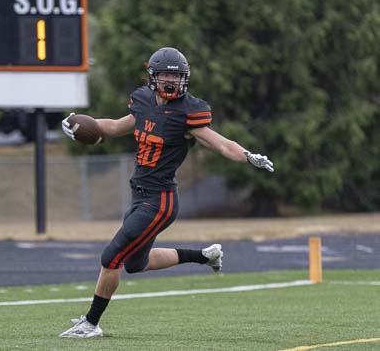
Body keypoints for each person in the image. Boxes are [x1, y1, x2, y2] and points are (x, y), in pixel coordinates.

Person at [59, 46, 274, 339]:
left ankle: (91, 322)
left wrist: (248, 155)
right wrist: (80, 125)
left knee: (111, 258)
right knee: (136, 263)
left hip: (160, 201)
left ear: (185, 79)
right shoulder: (143, 101)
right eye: (164, 76)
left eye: (176, 76)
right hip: (140, 195)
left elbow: (220, 143)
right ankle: (204, 256)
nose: (171, 82)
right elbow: (114, 127)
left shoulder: (188, 112)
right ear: (153, 77)